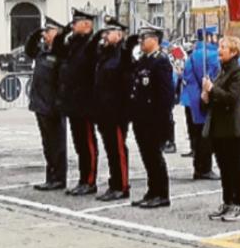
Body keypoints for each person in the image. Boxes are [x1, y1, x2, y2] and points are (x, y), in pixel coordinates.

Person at [202, 36, 240, 222]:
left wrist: (212, 89)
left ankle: (239, 203)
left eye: (223, 47)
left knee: (235, 166)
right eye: (219, 46)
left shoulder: (238, 73)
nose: (219, 50)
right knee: (224, 167)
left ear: (233, 52)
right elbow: (216, 99)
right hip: (218, 128)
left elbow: (231, 98)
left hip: (231, 128)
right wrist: (206, 97)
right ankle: (227, 201)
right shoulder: (221, 72)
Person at [128, 26, 177, 209]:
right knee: (147, 156)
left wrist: (162, 120)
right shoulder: (144, 60)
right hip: (141, 117)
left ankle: (161, 194)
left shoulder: (160, 61)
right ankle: (152, 191)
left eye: (144, 38)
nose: (141, 42)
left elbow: (166, 95)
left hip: (154, 119)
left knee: (155, 157)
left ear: (154, 40)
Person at [55, 10, 102, 196]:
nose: (73, 26)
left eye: (76, 23)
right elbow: (58, 49)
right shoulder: (74, 43)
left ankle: (89, 181)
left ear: (87, 25)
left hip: (86, 103)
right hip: (73, 102)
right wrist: (65, 31)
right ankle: (83, 179)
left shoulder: (92, 45)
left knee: (88, 144)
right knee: (79, 144)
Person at [90, 18, 135, 203]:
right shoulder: (105, 54)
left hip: (116, 112)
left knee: (118, 150)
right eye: (104, 33)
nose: (105, 36)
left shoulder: (123, 55)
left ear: (119, 34)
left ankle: (121, 186)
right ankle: (113, 183)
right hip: (103, 111)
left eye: (109, 33)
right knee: (110, 150)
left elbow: (126, 84)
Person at [25, 19, 68, 191]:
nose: (45, 34)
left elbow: (63, 81)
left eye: (48, 31)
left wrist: (59, 103)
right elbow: (29, 50)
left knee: (57, 145)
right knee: (48, 145)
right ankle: (51, 177)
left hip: (53, 106)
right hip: (40, 104)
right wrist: (36, 33)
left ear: (57, 33)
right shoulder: (42, 51)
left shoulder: (61, 53)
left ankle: (59, 178)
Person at [180, 27, 221, 181]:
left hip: (190, 99)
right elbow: (215, 76)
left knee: (196, 135)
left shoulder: (193, 53)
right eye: (215, 36)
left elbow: (185, 75)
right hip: (203, 99)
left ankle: (198, 168)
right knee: (206, 135)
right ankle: (205, 169)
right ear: (209, 37)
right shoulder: (212, 55)